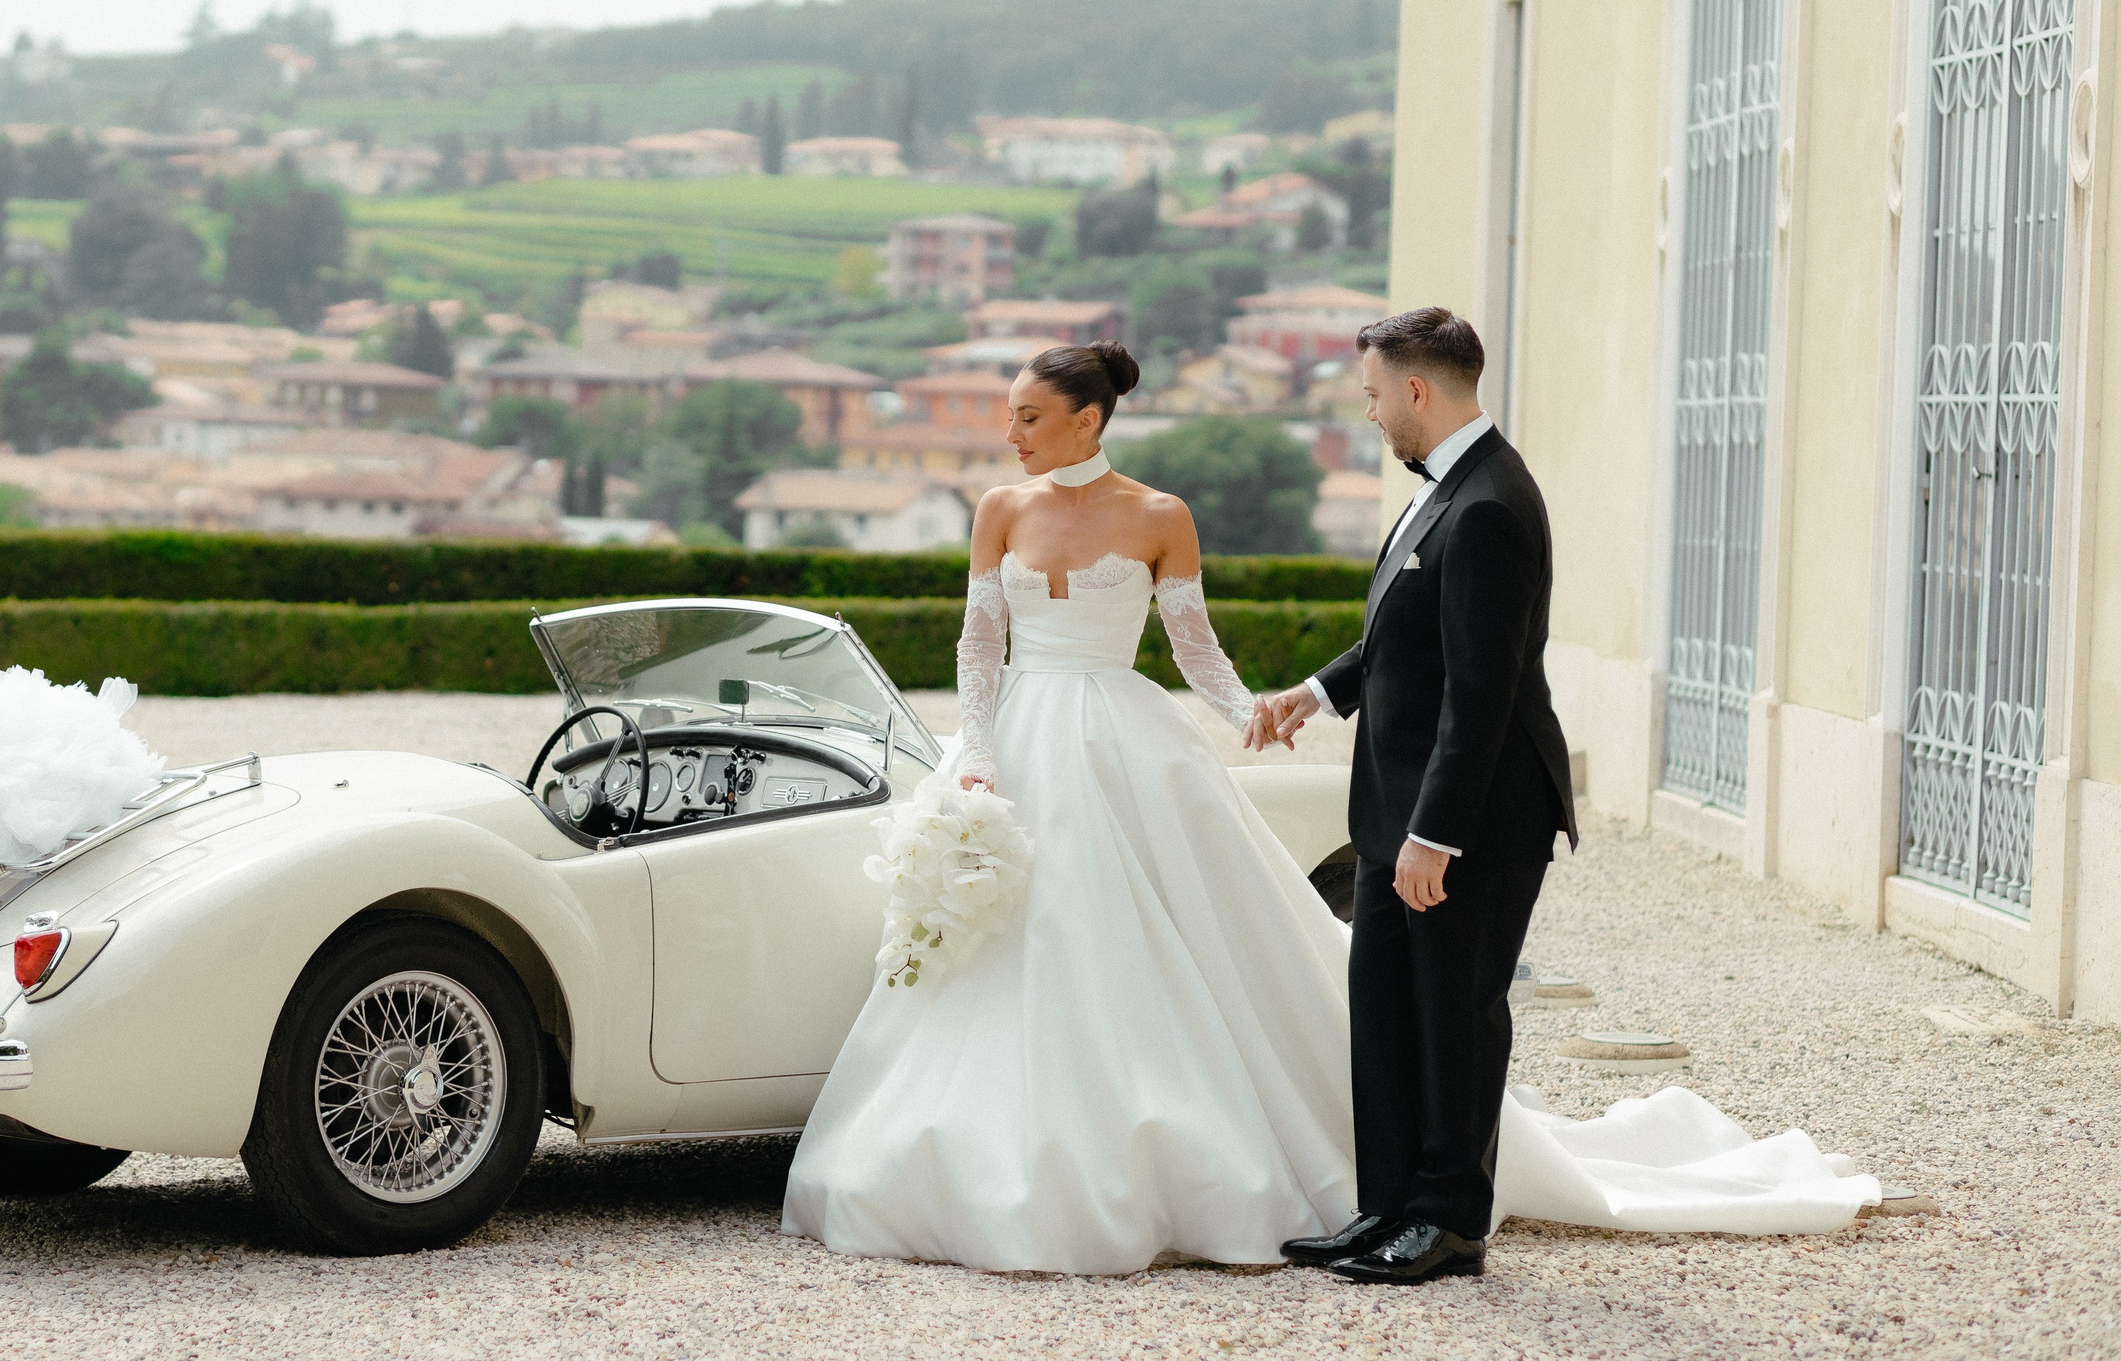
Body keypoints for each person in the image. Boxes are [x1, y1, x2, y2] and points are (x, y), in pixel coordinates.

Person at [782, 328, 1879, 1278]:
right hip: (1015, 740)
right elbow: (981, 643)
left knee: (1232, 955)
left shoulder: (1172, 512)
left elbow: (1197, 647)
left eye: (1028, 416)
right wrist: (975, 749)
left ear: (1086, 419)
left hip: (1127, 743)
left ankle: (1419, 1208)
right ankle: (1387, 1199)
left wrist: (1241, 709)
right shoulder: (1000, 507)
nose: (1011, 433)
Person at [1261, 306, 1575, 1285]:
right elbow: (1408, 634)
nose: (1367, 416)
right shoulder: (1441, 488)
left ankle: (1446, 1225)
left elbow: (1478, 696)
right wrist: (1315, 694)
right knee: (1388, 1008)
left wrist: (1436, 833)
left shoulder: (1486, 505)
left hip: (1472, 813)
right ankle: (1387, 1207)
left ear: (1414, 390)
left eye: (1369, 397)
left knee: (1453, 1014)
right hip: (1401, 808)